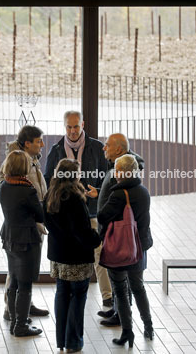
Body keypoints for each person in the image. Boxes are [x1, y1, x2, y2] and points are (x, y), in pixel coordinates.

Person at [44, 111, 112, 307]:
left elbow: (108, 178)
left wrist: (98, 192)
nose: (73, 131)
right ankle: (67, 294)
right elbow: (49, 181)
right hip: (66, 215)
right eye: (69, 127)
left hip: (91, 211)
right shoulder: (56, 150)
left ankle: (107, 297)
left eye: (76, 127)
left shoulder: (98, 148)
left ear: (83, 124)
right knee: (69, 256)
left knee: (100, 255)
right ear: (64, 126)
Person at [44, 159, 101, 352]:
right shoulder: (74, 198)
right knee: (78, 295)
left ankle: (61, 341)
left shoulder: (50, 194)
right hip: (76, 257)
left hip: (58, 256)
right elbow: (82, 231)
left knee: (62, 293)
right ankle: (74, 342)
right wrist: (96, 239)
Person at [98, 154, 154, 347]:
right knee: (138, 288)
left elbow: (102, 216)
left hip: (121, 250)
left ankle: (127, 332)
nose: (115, 172)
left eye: (117, 169)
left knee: (121, 291)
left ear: (123, 172)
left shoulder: (119, 194)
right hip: (139, 248)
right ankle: (149, 326)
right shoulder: (143, 191)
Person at [91, 134, 145, 327]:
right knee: (117, 279)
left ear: (120, 150)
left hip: (118, 235)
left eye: (108, 146)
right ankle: (116, 308)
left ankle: (122, 315)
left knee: (123, 280)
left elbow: (117, 204)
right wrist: (100, 193)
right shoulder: (116, 166)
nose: (104, 148)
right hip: (112, 232)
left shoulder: (123, 171)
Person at [0, 125, 50, 321]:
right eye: (38, 141)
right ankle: (12, 311)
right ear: (27, 143)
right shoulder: (15, 162)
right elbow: (7, 190)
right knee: (18, 273)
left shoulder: (32, 159)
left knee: (23, 272)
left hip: (31, 224)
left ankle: (24, 306)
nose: (42, 145)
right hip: (25, 225)